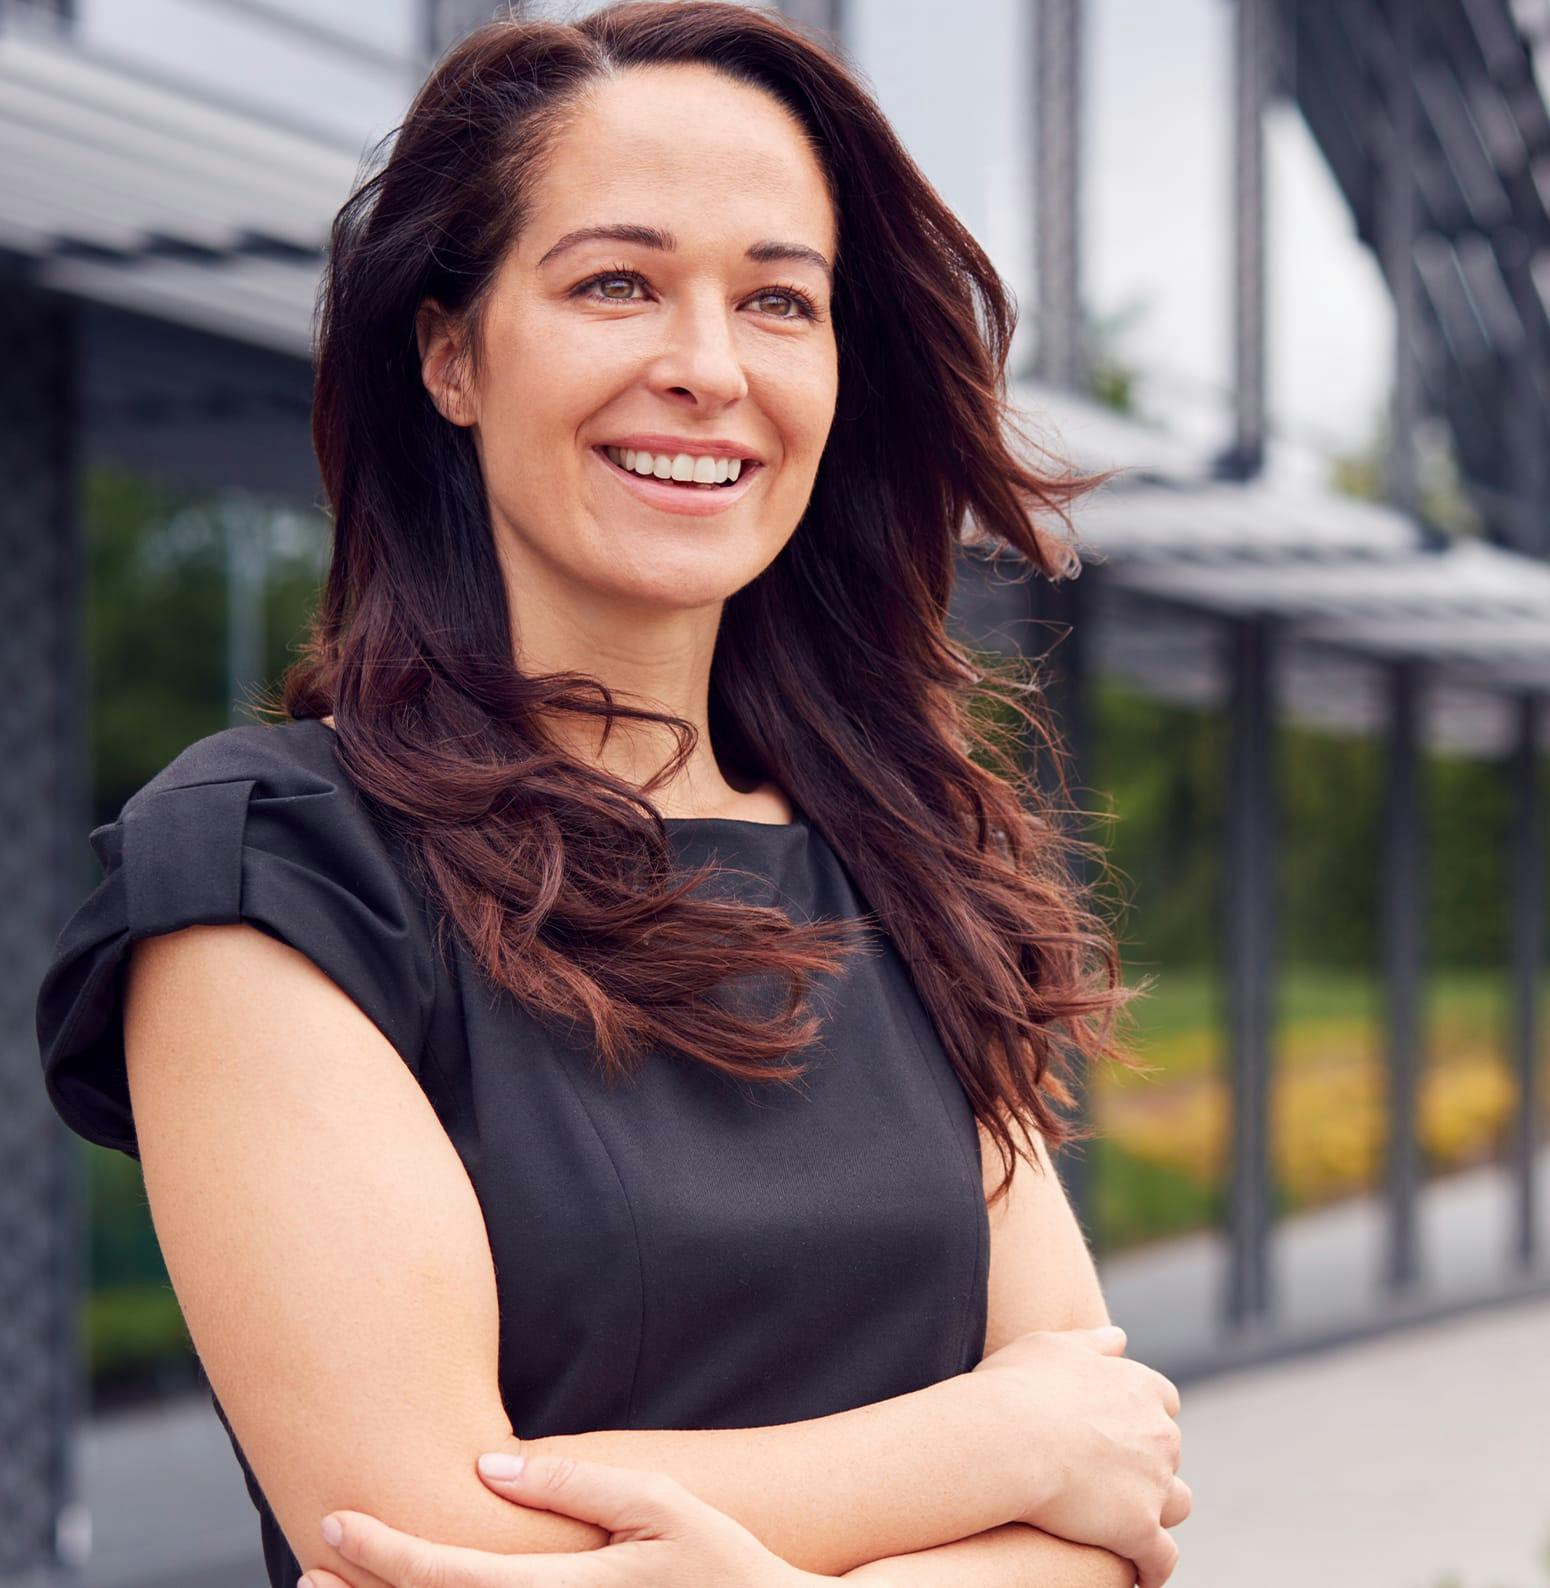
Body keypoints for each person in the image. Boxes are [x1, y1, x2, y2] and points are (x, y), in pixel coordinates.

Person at [35, 4, 1191, 1586]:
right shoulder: (275, 875)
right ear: (450, 352)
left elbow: (1118, 1502)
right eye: (616, 284)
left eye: (778, 300)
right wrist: (1000, 1449)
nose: (706, 368)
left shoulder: (898, 856)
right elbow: (408, 1526)